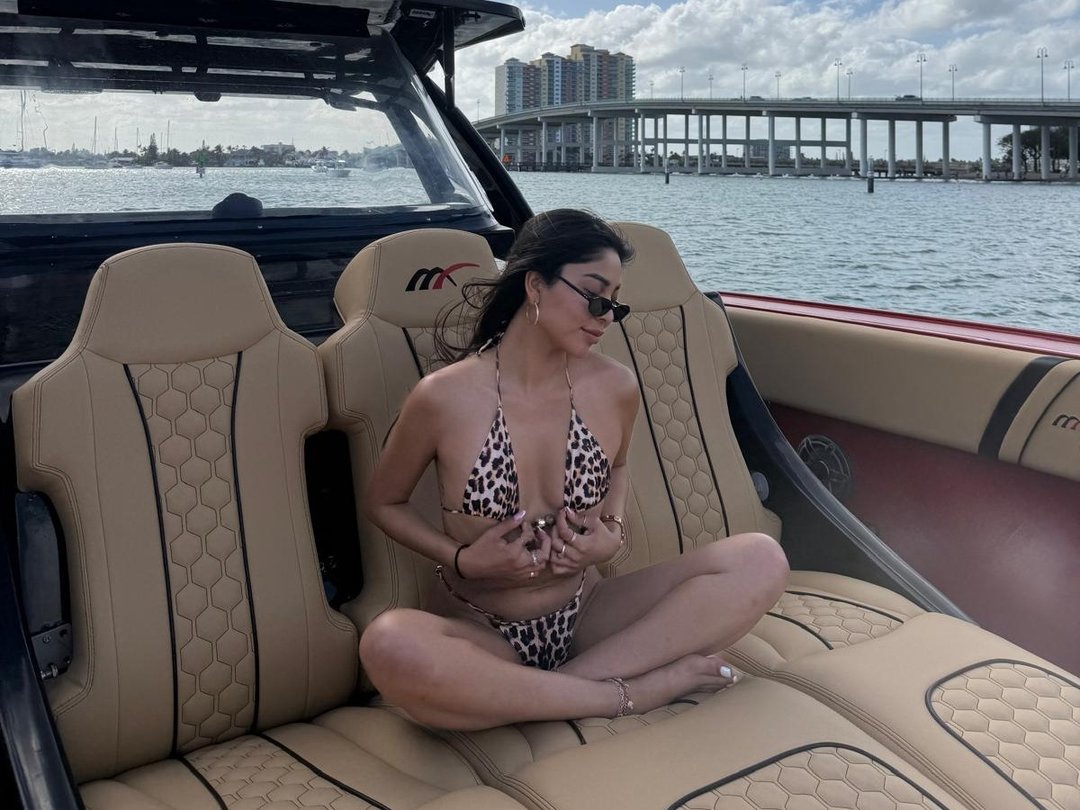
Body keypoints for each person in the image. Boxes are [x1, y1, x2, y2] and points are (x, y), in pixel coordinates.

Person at [361, 209, 789, 730]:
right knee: (390, 643)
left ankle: (538, 695)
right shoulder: (444, 397)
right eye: (593, 294)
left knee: (761, 559)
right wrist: (463, 559)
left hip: (588, 615)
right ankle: (632, 693)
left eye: (615, 302)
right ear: (535, 285)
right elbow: (385, 502)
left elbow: (619, 469)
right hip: (484, 630)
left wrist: (612, 533)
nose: (606, 315)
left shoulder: (615, 387)